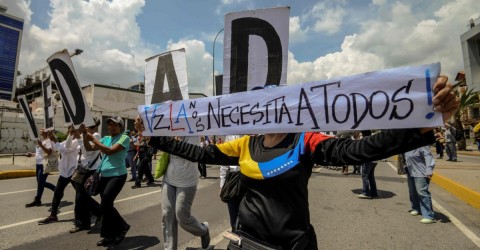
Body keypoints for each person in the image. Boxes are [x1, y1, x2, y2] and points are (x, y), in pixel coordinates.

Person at [135, 76, 458, 249]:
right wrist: (156, 138)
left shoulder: (306, 140)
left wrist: (418, 126)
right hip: (247, 243)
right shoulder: (246, 143)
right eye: (259, 105)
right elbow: (200, 154)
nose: (266, 111)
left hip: (293, 244)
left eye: (273, 104)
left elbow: (356, 151)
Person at [83, 116, 130, 246]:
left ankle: (122, 226)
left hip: (117, 175)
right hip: (104, 175)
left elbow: (109, 151)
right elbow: (89, 148)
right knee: (106, 207)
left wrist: (92, 138)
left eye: (115, 125)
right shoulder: (106, 138)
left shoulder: (124, 138)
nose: (111, 127)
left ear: (121, 127)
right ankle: (108, 235)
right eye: (109, 124)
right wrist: (84, 135)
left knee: (106, 203)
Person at [160, 136, 210, 250]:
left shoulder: (193, 133)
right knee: (167, 215)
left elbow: (191, 154)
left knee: (182, 217)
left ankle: (203, 230)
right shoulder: (169, 131)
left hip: (187, 181)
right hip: (169, 179)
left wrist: (173, 143)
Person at [38, 125, 80, 224]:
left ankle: (97, 211)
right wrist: (51, 137)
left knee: (81, 194)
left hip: (73, 170)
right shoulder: (68, 140)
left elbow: (65, 150)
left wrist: (54, 139)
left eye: (71, 129)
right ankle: (53, 215)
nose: (69, 130)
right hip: (65, 171)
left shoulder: (77, 141)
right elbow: (58, 147)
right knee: (57, 192)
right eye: (69, 129)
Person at [70, 119, 103, 233]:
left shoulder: (96, 135)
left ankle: (86, 221)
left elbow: (88, 151)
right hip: (82, 168)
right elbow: (81, 148)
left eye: (86, 127)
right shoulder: (85, 135)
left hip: (91, 169)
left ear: (91, 127)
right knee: (80, 197)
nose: (84, 128)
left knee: (81, 196)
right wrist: (77, 134)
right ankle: (86, 220)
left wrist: (82, 135)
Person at [404, 146, 436, 224]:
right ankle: (416, 208)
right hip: (411, 172)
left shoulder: (422, 144)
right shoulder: (408, 144)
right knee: (413, 192)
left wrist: (429, 170)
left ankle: (429, 215)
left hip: (421, 172)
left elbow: (428, 157)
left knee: (422, 192)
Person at [25, 129, 56, 207]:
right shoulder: (42, 140)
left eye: (42, 129)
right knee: (39, 182)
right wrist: (31, 154)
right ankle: (38, 200)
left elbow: (49, 152)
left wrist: (41, 145)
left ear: (46, 132)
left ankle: (56, 190)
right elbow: (39, 153)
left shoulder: (48, 141)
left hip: (44, 164)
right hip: (38, 164)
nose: (40, 130)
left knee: (40, 182)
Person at [219, 134, 242, 231]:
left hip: (248, 178)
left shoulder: (251, 132)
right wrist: (222, 184)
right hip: (232, 179)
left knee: (246, 216)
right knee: (233, 214)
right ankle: (236, 238)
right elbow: (224, 164)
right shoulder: (230, 135)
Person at [358, 130, 378, 199]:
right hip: (374, 161)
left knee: (365, 176)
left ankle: (365, 192)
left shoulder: (365, 140)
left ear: (364, 134)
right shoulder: (373, 139)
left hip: (368, 161)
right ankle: (374, 193)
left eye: (361, 133)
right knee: (371, 178)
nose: (360, 134)